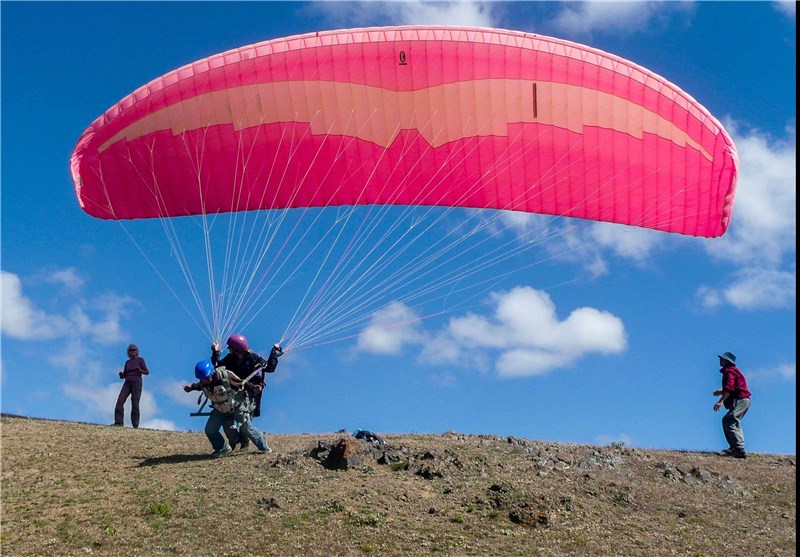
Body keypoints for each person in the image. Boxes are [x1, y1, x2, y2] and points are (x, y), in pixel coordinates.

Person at [183, 360, 273, 458]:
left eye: (205, 378)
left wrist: (253, 387)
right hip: (219, 410)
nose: (204, 381)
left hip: (235, 407)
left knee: (247, 428)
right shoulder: (203, 382)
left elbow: (241, 383)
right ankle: (222, 448)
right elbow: (199, 385)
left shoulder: (225, 377)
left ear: (212, 373)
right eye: (202, 379)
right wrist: (191, 388)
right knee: (210, 430)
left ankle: (264, 447)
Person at [211, 334, 282, 451]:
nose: (228, 349)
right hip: (233, 394)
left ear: (237, 349)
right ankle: (233, 441)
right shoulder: (230, 359)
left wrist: (274, 352)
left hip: (251, 393)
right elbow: (217, 367)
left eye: (230, 347)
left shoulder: (253, 359)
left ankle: (245, 443)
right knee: (227, 420)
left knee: (246, 420)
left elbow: (269, 367)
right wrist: (216, 352)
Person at [713, 351, 751, 459]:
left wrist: (720, 401)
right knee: (730, 420)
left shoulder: (729, 371)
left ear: (727, 361)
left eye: (722, 358)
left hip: (740, 399)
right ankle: (735, 448)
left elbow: (729, 388)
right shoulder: (732, 371)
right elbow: (734, 387)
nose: (720, 360)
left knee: (730, 419)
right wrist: (721, 391)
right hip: (743, 399)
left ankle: (738, 449)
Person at [113, 344, 149, 428]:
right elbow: (125, 374)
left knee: (135, 403)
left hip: (137, 382)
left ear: (137, 351)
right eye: (131, 350)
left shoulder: (140, 360)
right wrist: (121, 375)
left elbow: (147, 372)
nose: (133, 351)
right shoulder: (127, 362)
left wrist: (140, 370)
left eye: (134, 350)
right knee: (120, 401)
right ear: (128, 352)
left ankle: (135, 425)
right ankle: (119, 422)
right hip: (127, 382)